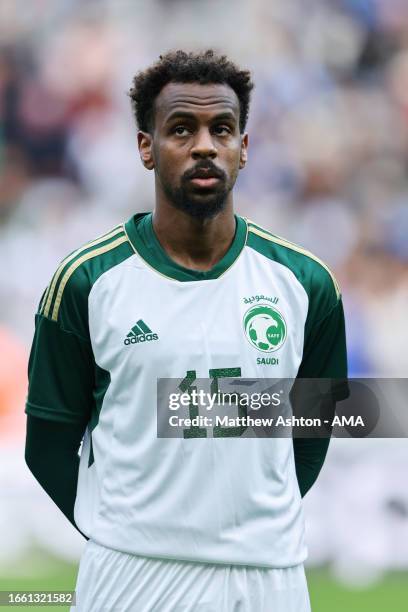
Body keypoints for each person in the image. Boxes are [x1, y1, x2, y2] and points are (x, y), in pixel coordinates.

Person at [25, 50, 348, 611]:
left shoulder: (306, 282)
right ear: (146, 147)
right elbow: (48, 443)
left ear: (244, 149)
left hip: (269, 579)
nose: (204, 145)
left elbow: (314, 430)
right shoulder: (87, 281)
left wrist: (251, 526)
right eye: (181, 129)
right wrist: (125, 534)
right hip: (130, 576)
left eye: (222, 129)